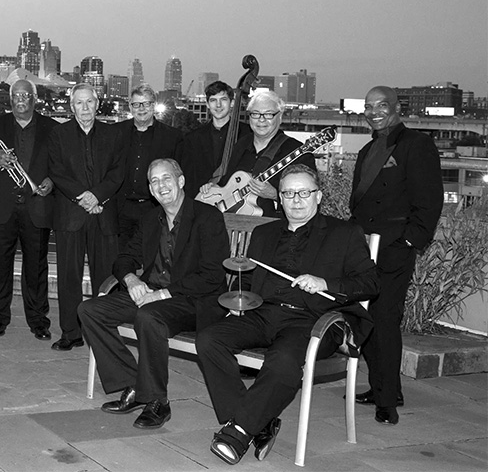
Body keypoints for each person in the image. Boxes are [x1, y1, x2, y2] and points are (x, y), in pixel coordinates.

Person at [197, 164, 379, 465]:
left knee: (283, 361)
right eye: (288, 193)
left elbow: (371, 283)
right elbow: (250, 283)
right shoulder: (264, 232)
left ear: (318, 196)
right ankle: (260, 420)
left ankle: (239, 431)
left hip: (314, 319)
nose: (296, 199)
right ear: (279, 198)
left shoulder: (344, 233)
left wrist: (325, 283)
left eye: (304, 192)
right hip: (263, 312)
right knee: (209, 339)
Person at [78, 158, 229, 429]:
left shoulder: (207, 217)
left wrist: (162, 295)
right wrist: (131, 279)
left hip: (193, 300)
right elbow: (124, 257)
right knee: (89, 310)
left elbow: (212, 275)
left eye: (166, 178)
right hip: (151, 294)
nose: (161, 185)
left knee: (148, 316)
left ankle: (158, 401)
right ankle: (133, 385)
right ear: (150, 189)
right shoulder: (150, 220)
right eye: (154, 181)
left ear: (181, 181)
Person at [349, 85, 443, 425]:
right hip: (362, 250)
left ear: (397, 107)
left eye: (382, 105)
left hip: (393, 250)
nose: (374, 111)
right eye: (369, 106)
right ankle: (382, 386)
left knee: (385, 321)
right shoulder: (366, 150)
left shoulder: (417, 145)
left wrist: (408, 243)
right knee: (364, 320)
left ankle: (387, 401)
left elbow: (430, 202)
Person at [0, 78, 55, 340]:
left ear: (34, 98)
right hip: (3, 206)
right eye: (16, 95)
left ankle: (38, 320)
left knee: (36, 268)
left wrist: (51, 182)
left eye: (26, 95)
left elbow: (60, 165)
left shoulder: (52, 127)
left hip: (37, 206)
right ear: (11, 99)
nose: (21, 99)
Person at [47, 83, 126, 351]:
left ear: (97, 103)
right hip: (70, 215)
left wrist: (97, 197)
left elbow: (118, 172)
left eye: (89, 102)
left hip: (103, 215)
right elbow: (56, 171)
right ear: (71, 106)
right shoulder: (58, 134)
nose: (84, 108)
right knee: (69, 278)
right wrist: (83, 197)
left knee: (105, 279)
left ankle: (102, 334)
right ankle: (71, 333)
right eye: (79, 103)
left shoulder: (114, 134)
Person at [199, 89, 314, 217]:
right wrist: (213, 188)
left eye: (268, 114)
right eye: (255, 114)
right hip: (235, 225)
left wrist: (275, 195)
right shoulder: (240, 145)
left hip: (275, 228)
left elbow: (309, 199)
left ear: (280, 117)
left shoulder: (297, 152)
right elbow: (227, 184)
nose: (261, 120)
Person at [115, 84, 183, 251]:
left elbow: (178, 174)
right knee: (121, 260)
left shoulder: (172, 137)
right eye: (136, 104)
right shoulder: (115, 133)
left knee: (153, 261)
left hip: (155, 209)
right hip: (120, 209)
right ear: (130, 106)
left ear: (153, 105)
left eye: (146, 103)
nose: (141, 108)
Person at [177, 80, 248, 198]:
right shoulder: (192, 139)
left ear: (232, 103)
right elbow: (189, 178)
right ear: (207, 104)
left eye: (223, 100)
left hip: (238, 201)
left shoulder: (247, 135)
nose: (218, 105)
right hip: (203, 202)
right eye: (213, 100)